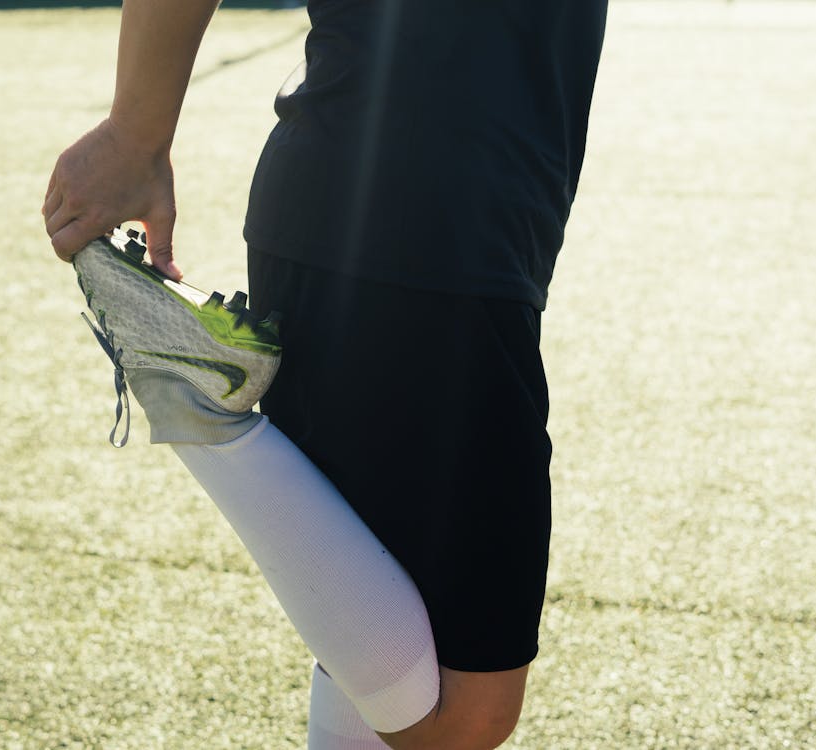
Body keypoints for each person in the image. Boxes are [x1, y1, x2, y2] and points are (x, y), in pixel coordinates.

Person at [42, 1, 607, 748]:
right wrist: (134, 131)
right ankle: (200, 405)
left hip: (410, 220)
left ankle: (202, 398)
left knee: (392, 643)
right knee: (462, 713)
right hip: (419, 236)